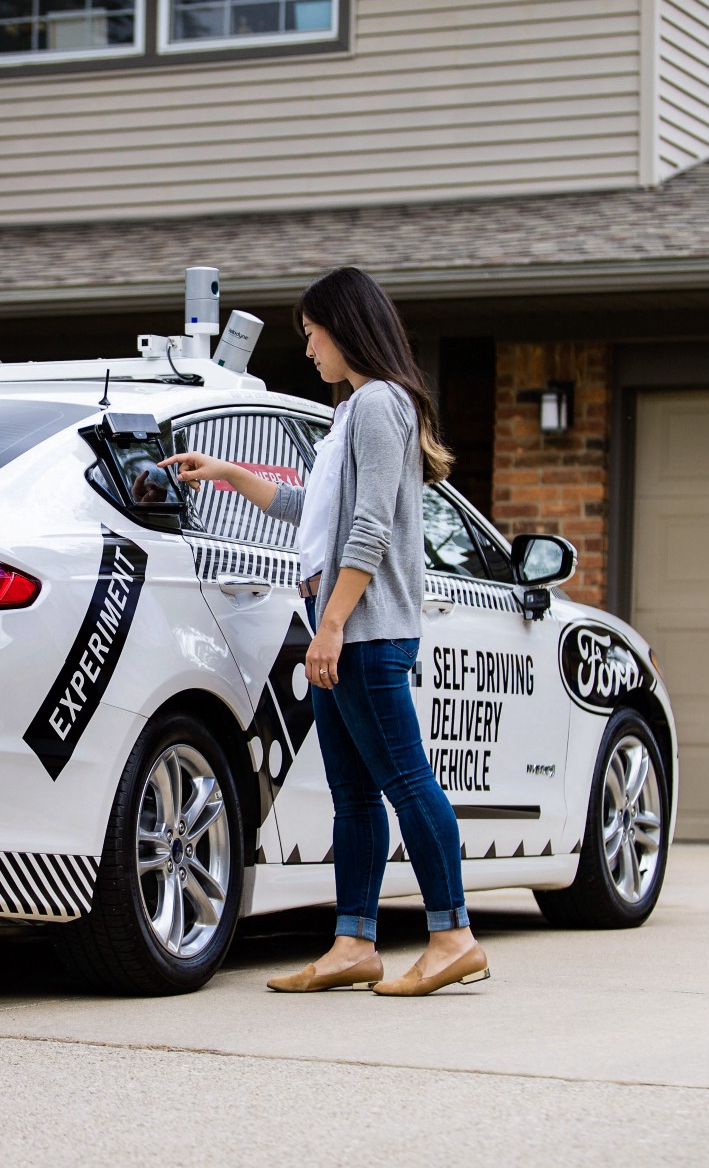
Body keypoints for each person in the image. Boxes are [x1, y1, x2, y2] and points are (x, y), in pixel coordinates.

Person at [160, 266, 489, 997]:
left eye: (311, 335)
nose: (308, 351)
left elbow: (368, 529)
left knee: (405, 780)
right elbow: (316, 511)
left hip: (363, 628)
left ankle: (453, 933)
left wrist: (332, 623)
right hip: (341, 622)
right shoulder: (351, 412)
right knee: (354, 793)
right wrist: (226, 472)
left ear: (344, 327)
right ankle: (354, 942)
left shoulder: (378, 406)